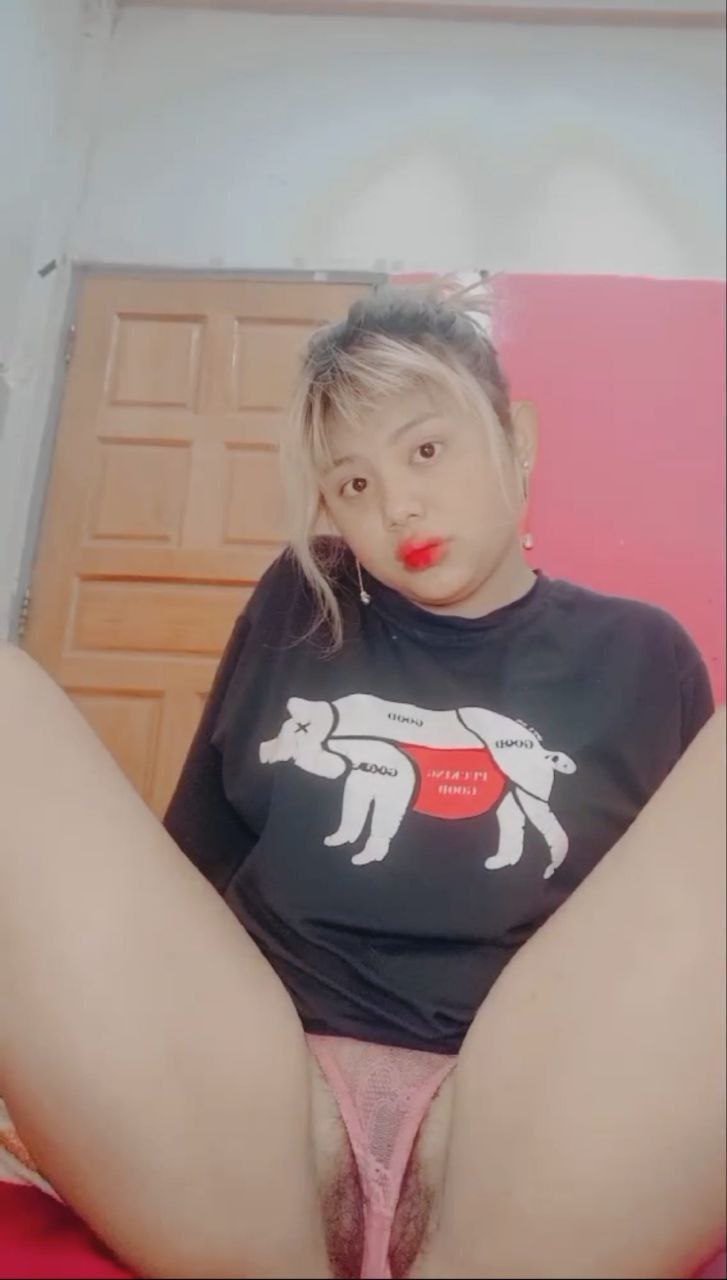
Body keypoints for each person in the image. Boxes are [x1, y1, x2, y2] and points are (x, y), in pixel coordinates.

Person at [0, 285, 724, 1280]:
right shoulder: (303, 603)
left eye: (425, 450)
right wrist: (78, 1057)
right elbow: (186, 870)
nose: (396, 507)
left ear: (515, 438)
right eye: (351, 482)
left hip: (524, 1140)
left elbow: (666, 952)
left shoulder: (642, 654)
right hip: (256, 1121)